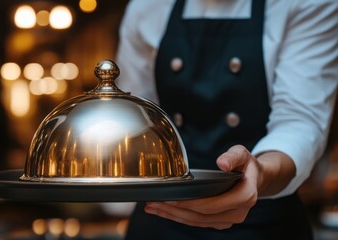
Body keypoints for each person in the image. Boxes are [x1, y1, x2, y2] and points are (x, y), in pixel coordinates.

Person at [115, 0, 338, 239]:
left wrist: (258, 173)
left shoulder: (308, 3)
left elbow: (299, 122)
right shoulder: (146, 7)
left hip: (262, 218)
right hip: (160, 217)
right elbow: (132, 119)